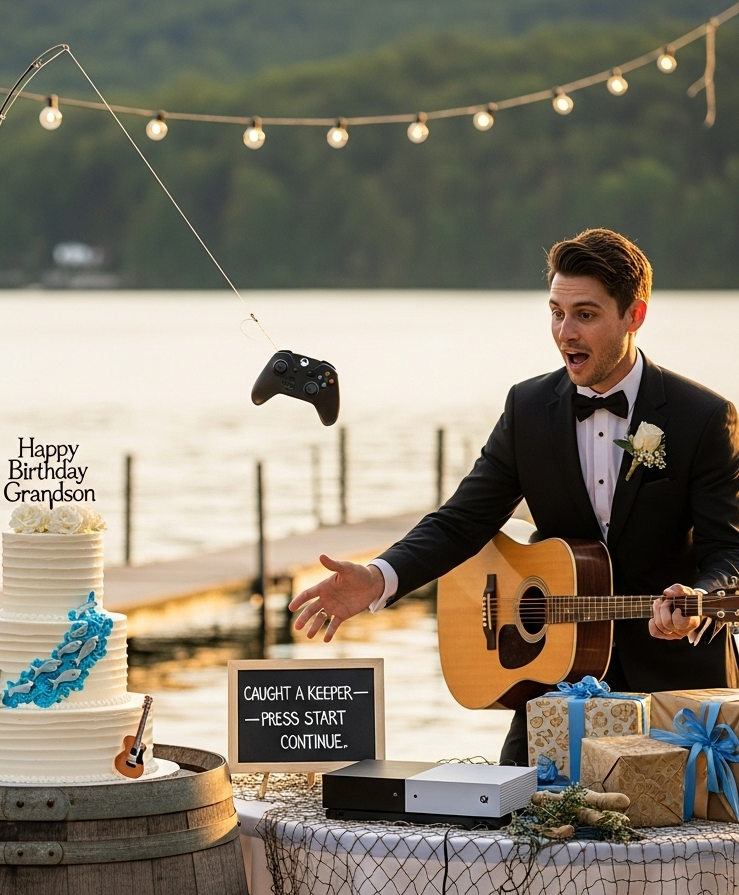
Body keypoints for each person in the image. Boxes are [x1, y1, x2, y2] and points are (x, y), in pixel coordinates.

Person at [290, 228, 739, 765]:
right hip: (552, 684)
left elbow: (728, 553)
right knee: (511, 831)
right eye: (555, 312)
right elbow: (462, 521)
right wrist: (379, 577)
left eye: (586, 315)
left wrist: (697, 600)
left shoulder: (704, 418)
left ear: (634, 316)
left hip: (674, 693)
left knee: (674, 841)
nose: (564, 332)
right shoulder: (528, 408)